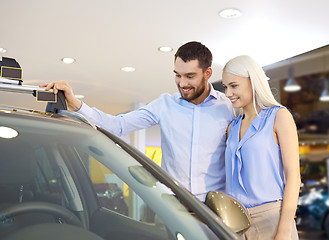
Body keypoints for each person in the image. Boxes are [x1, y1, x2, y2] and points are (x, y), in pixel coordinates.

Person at [41, 41, 234, 201]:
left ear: (207, 73)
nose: (182, 84)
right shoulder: (164, 105)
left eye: (190, 76)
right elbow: (118, 125)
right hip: (176, 207)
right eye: (177, 75)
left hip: (217, 209)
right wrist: (75, 104)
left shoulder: (228, 108)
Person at [221, 55, 301, 239]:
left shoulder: (279, 117)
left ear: (253, 81)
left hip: (272, 220)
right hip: (235, 224)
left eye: (234, 86)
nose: (227, 93)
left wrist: (283, 231)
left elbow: (294, 178)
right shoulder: (231, 128)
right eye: (225, 87)